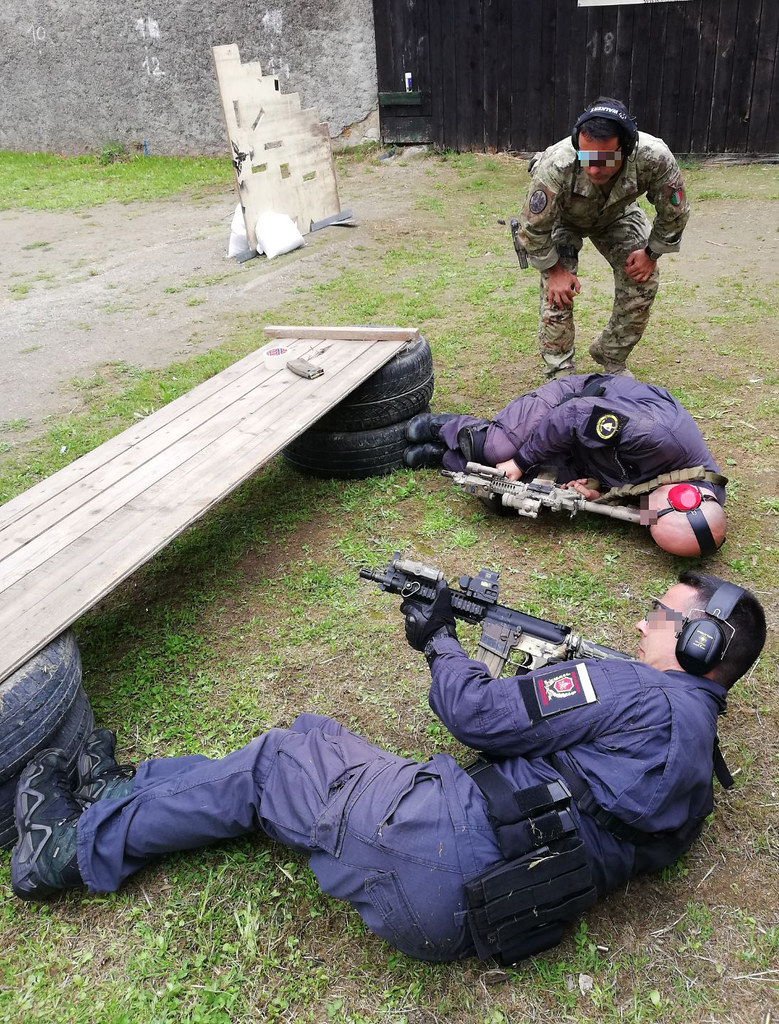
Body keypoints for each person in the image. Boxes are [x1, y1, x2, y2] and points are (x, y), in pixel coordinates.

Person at [10, 573, 766, 966]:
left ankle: (65, 851)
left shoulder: (633, 690)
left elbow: (477, 717)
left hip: (436, 855)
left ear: (699, 643)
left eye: (660, 616)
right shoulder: (703, 762)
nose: (641, 623)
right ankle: (127, 791)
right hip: (499, 905)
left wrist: (439, 641)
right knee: (302, 761)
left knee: (284, 757)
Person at [403, 373, 727, 557]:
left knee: (508, 496)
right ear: (682, 496)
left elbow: (638, 496)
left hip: (592, 458)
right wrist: (520, 460)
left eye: (647, 525)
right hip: (573, 405)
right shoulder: (654, 434)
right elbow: (574, 416)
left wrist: (599, 491)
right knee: (498, 449)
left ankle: (443, 456)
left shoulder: (693, 508)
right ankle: (446, 428)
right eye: (650, 517)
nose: (644, 517)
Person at [515, 97, 690, 378]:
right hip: (564, 219)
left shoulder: (654, 156)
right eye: (587, 157)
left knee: (642, 281)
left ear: (627, 147)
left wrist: (651, 253)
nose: (594, 168)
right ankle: (560, 373)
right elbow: (532, 226)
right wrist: (554, 269)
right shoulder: (557, 163)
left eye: (605, 159)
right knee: (557, 294)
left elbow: (675, 210)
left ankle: (611, 354)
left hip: (616, 215)